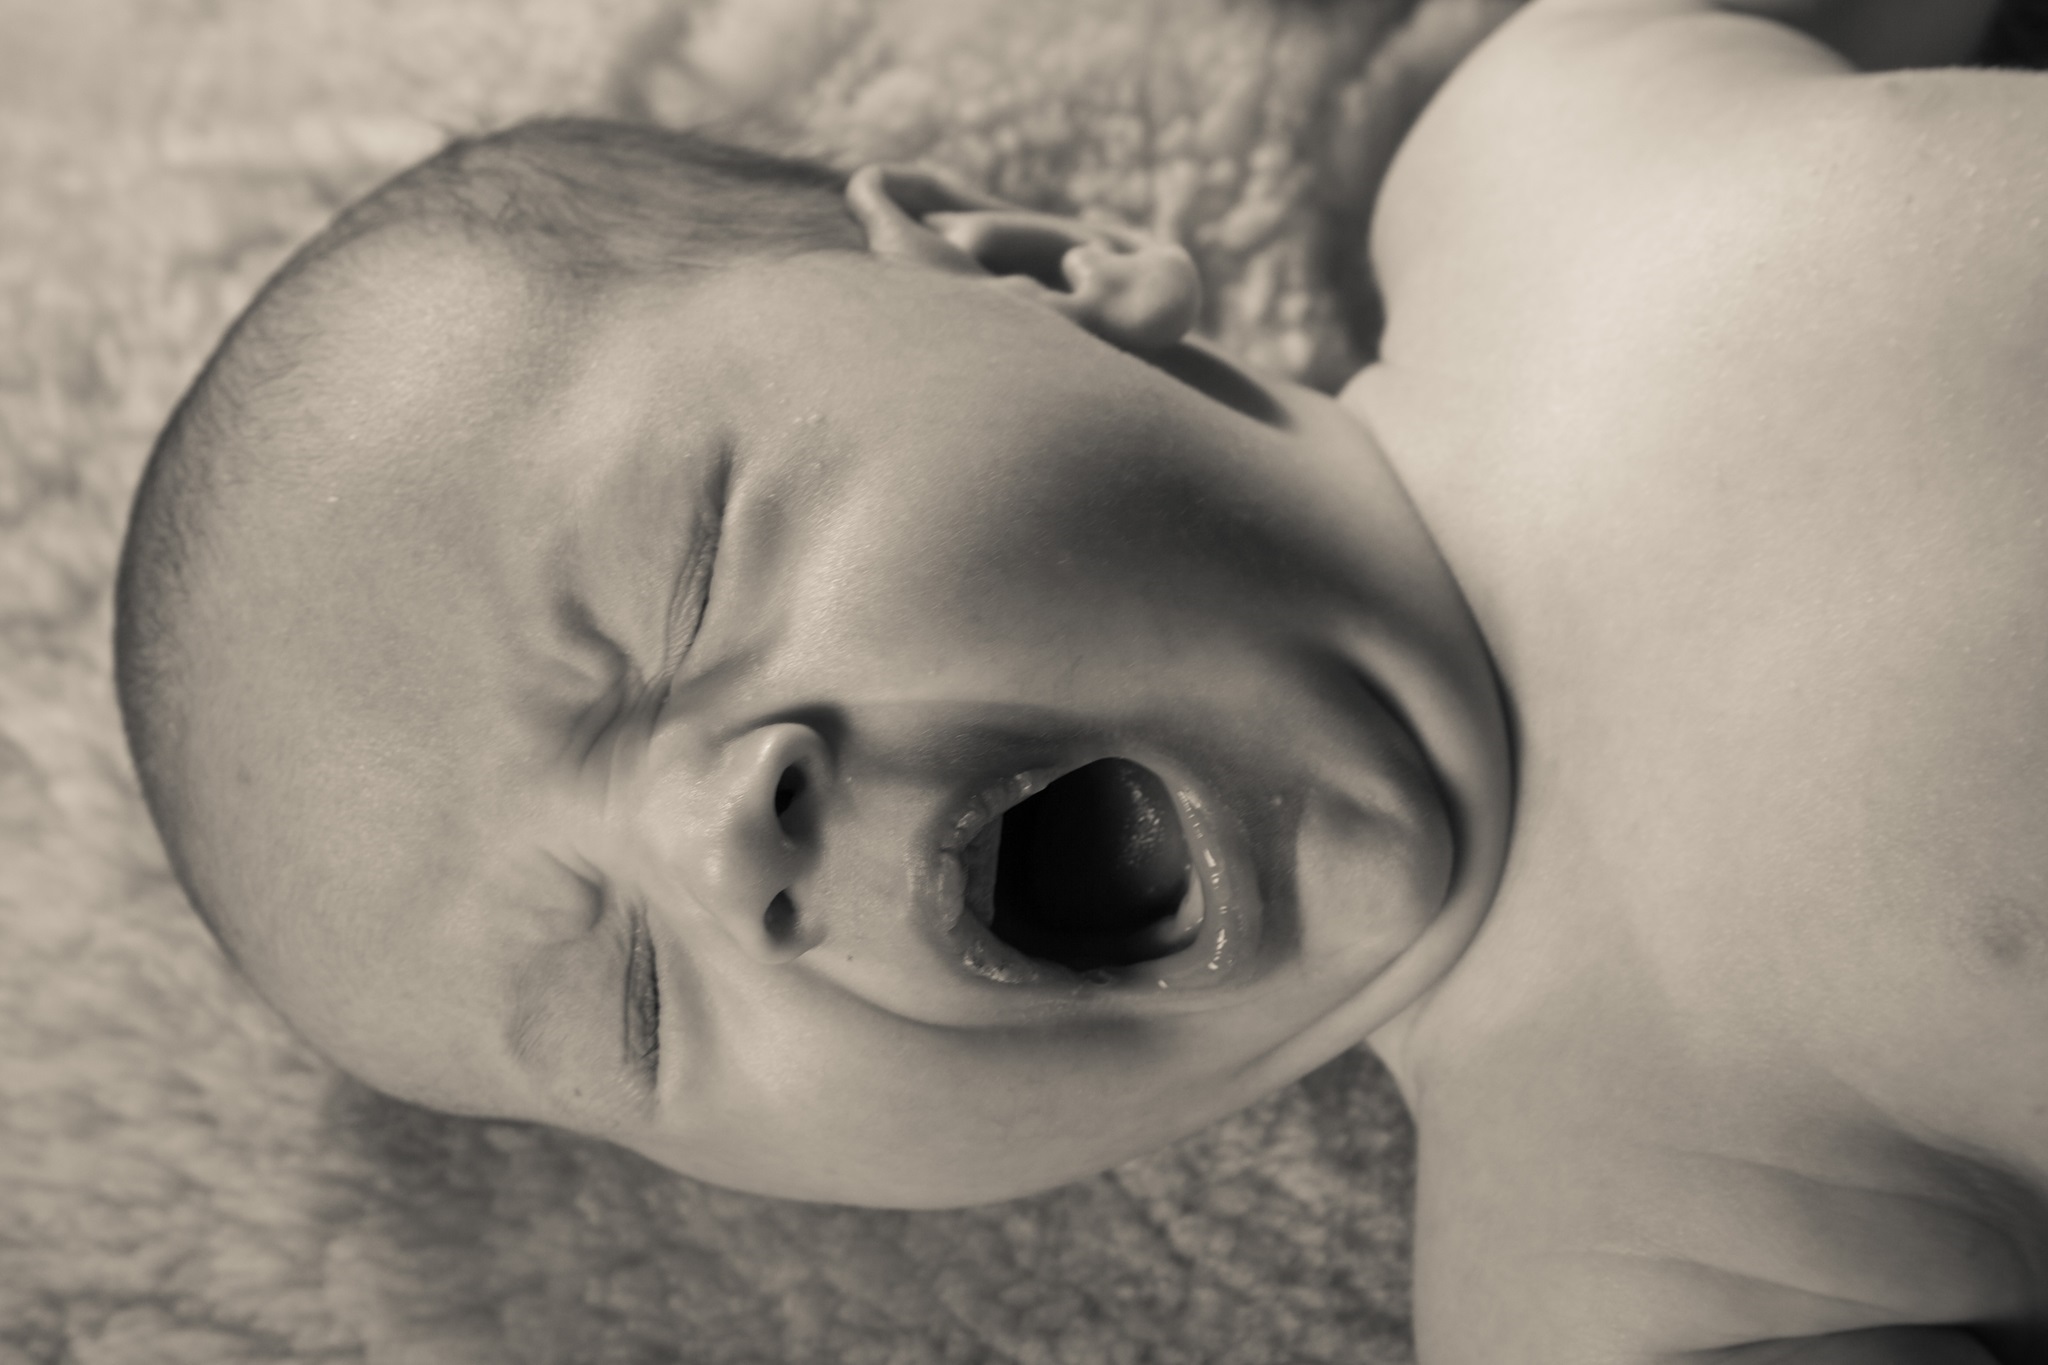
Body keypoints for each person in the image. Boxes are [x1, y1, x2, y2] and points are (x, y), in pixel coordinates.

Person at [114, 0, 2047, 1358]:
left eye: (688, 573)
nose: (722, 836)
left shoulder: (1528, 146)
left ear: (1032, 259)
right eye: (633, 994)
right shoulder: (1635, 1249)